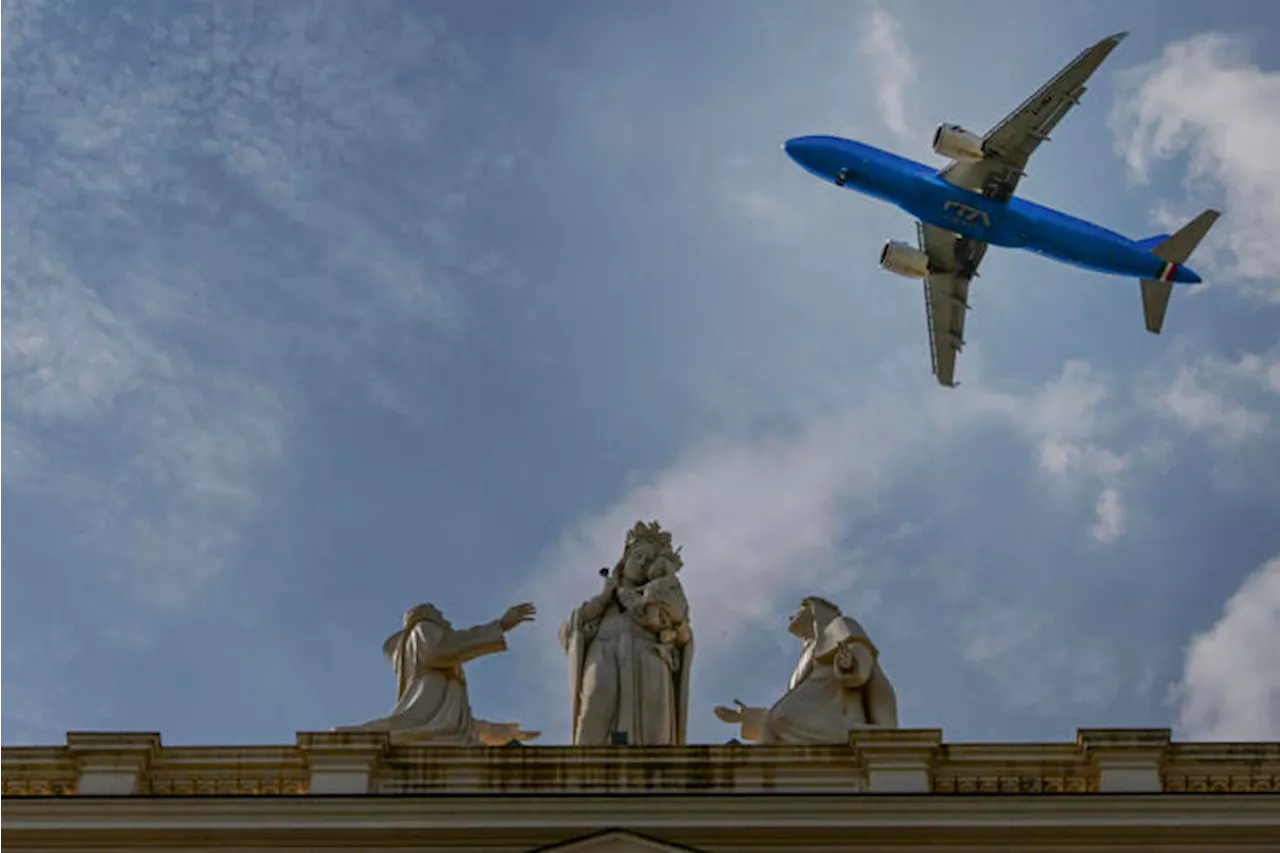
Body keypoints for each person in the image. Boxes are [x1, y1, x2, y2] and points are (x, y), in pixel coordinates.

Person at [560, 521, 693, 746]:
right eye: (638, 556)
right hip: (604, 654)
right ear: (625, 558)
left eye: (648, 562)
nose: (640, 564)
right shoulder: (605, 599)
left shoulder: (659, 596)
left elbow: (683, 636)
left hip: (649, 656)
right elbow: (570, 630)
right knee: (595, 699)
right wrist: (604, 598)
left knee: (653, 719)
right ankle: (586, 770)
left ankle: (656, 776)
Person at [338, 601, 539, 745]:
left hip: (444, 727)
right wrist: (500, 625)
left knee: (402, 729)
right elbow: (441, 650)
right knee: (401, 728)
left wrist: (499, 732)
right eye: (440, 615)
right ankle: (348, 739)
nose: (446, 621)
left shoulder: (444, 699)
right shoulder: (423, 628)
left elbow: (459, 725)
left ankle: (351, 739)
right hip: (430, 712)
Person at [714, 596, 897, 744]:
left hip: (836, 715)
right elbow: (795, 706)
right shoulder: (809, 650)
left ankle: (856, 735)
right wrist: (745, 716)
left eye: (798, 611)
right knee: (780, 721)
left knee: (783, 720)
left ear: (814, 611)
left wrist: (848, 663)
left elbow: (861, 661)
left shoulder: (839, 628)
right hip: (800, 721)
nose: (791, 617)